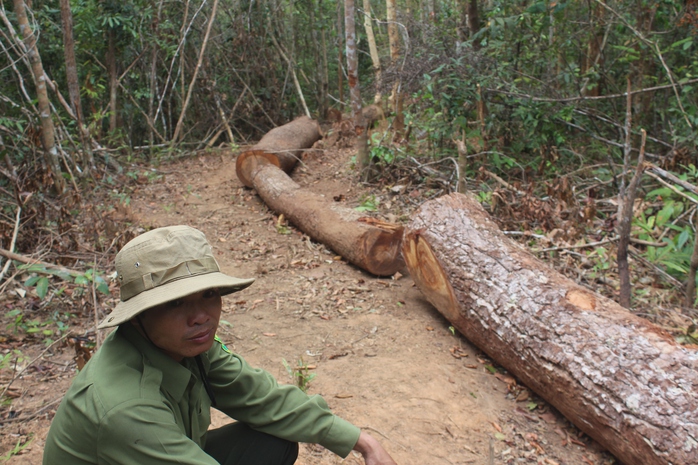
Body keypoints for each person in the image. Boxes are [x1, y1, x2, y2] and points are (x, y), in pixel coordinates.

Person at [43, 225, 397, 465]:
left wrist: (362, 442)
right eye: (175, 303)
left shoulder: (186, 346)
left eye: (209, 295)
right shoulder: (126, 406)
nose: (200, 316)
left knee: (271, 443)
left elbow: (263, 397)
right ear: (138, 316)